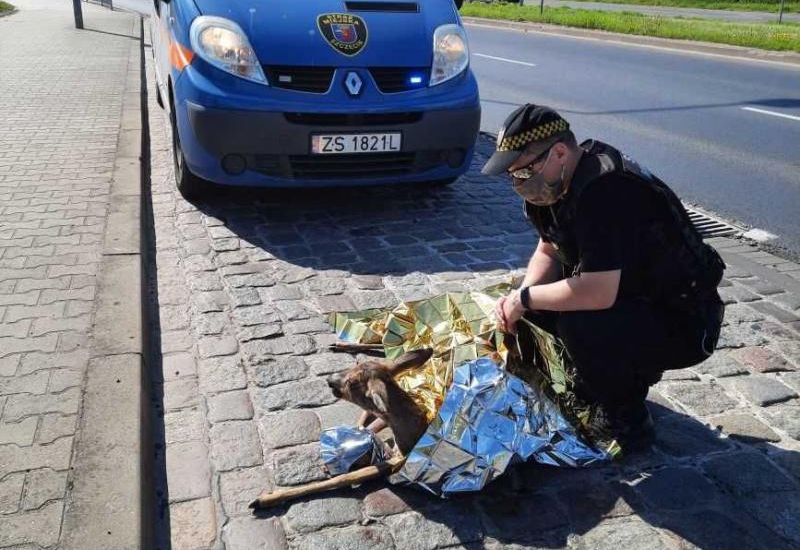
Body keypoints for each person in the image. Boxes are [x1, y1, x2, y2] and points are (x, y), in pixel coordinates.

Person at [482, 104, 725, 453]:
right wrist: (522, 297)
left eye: (522, 172)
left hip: (684, 318)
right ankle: (602, 377)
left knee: (580, 324)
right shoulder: (556, 183)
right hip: (634, 295)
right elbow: (548, 250)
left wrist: (524, 299)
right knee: (532, 302)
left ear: (560, 152)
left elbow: (597, 293)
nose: (517, 183)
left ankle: (627, 418)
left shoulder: (606, 192)